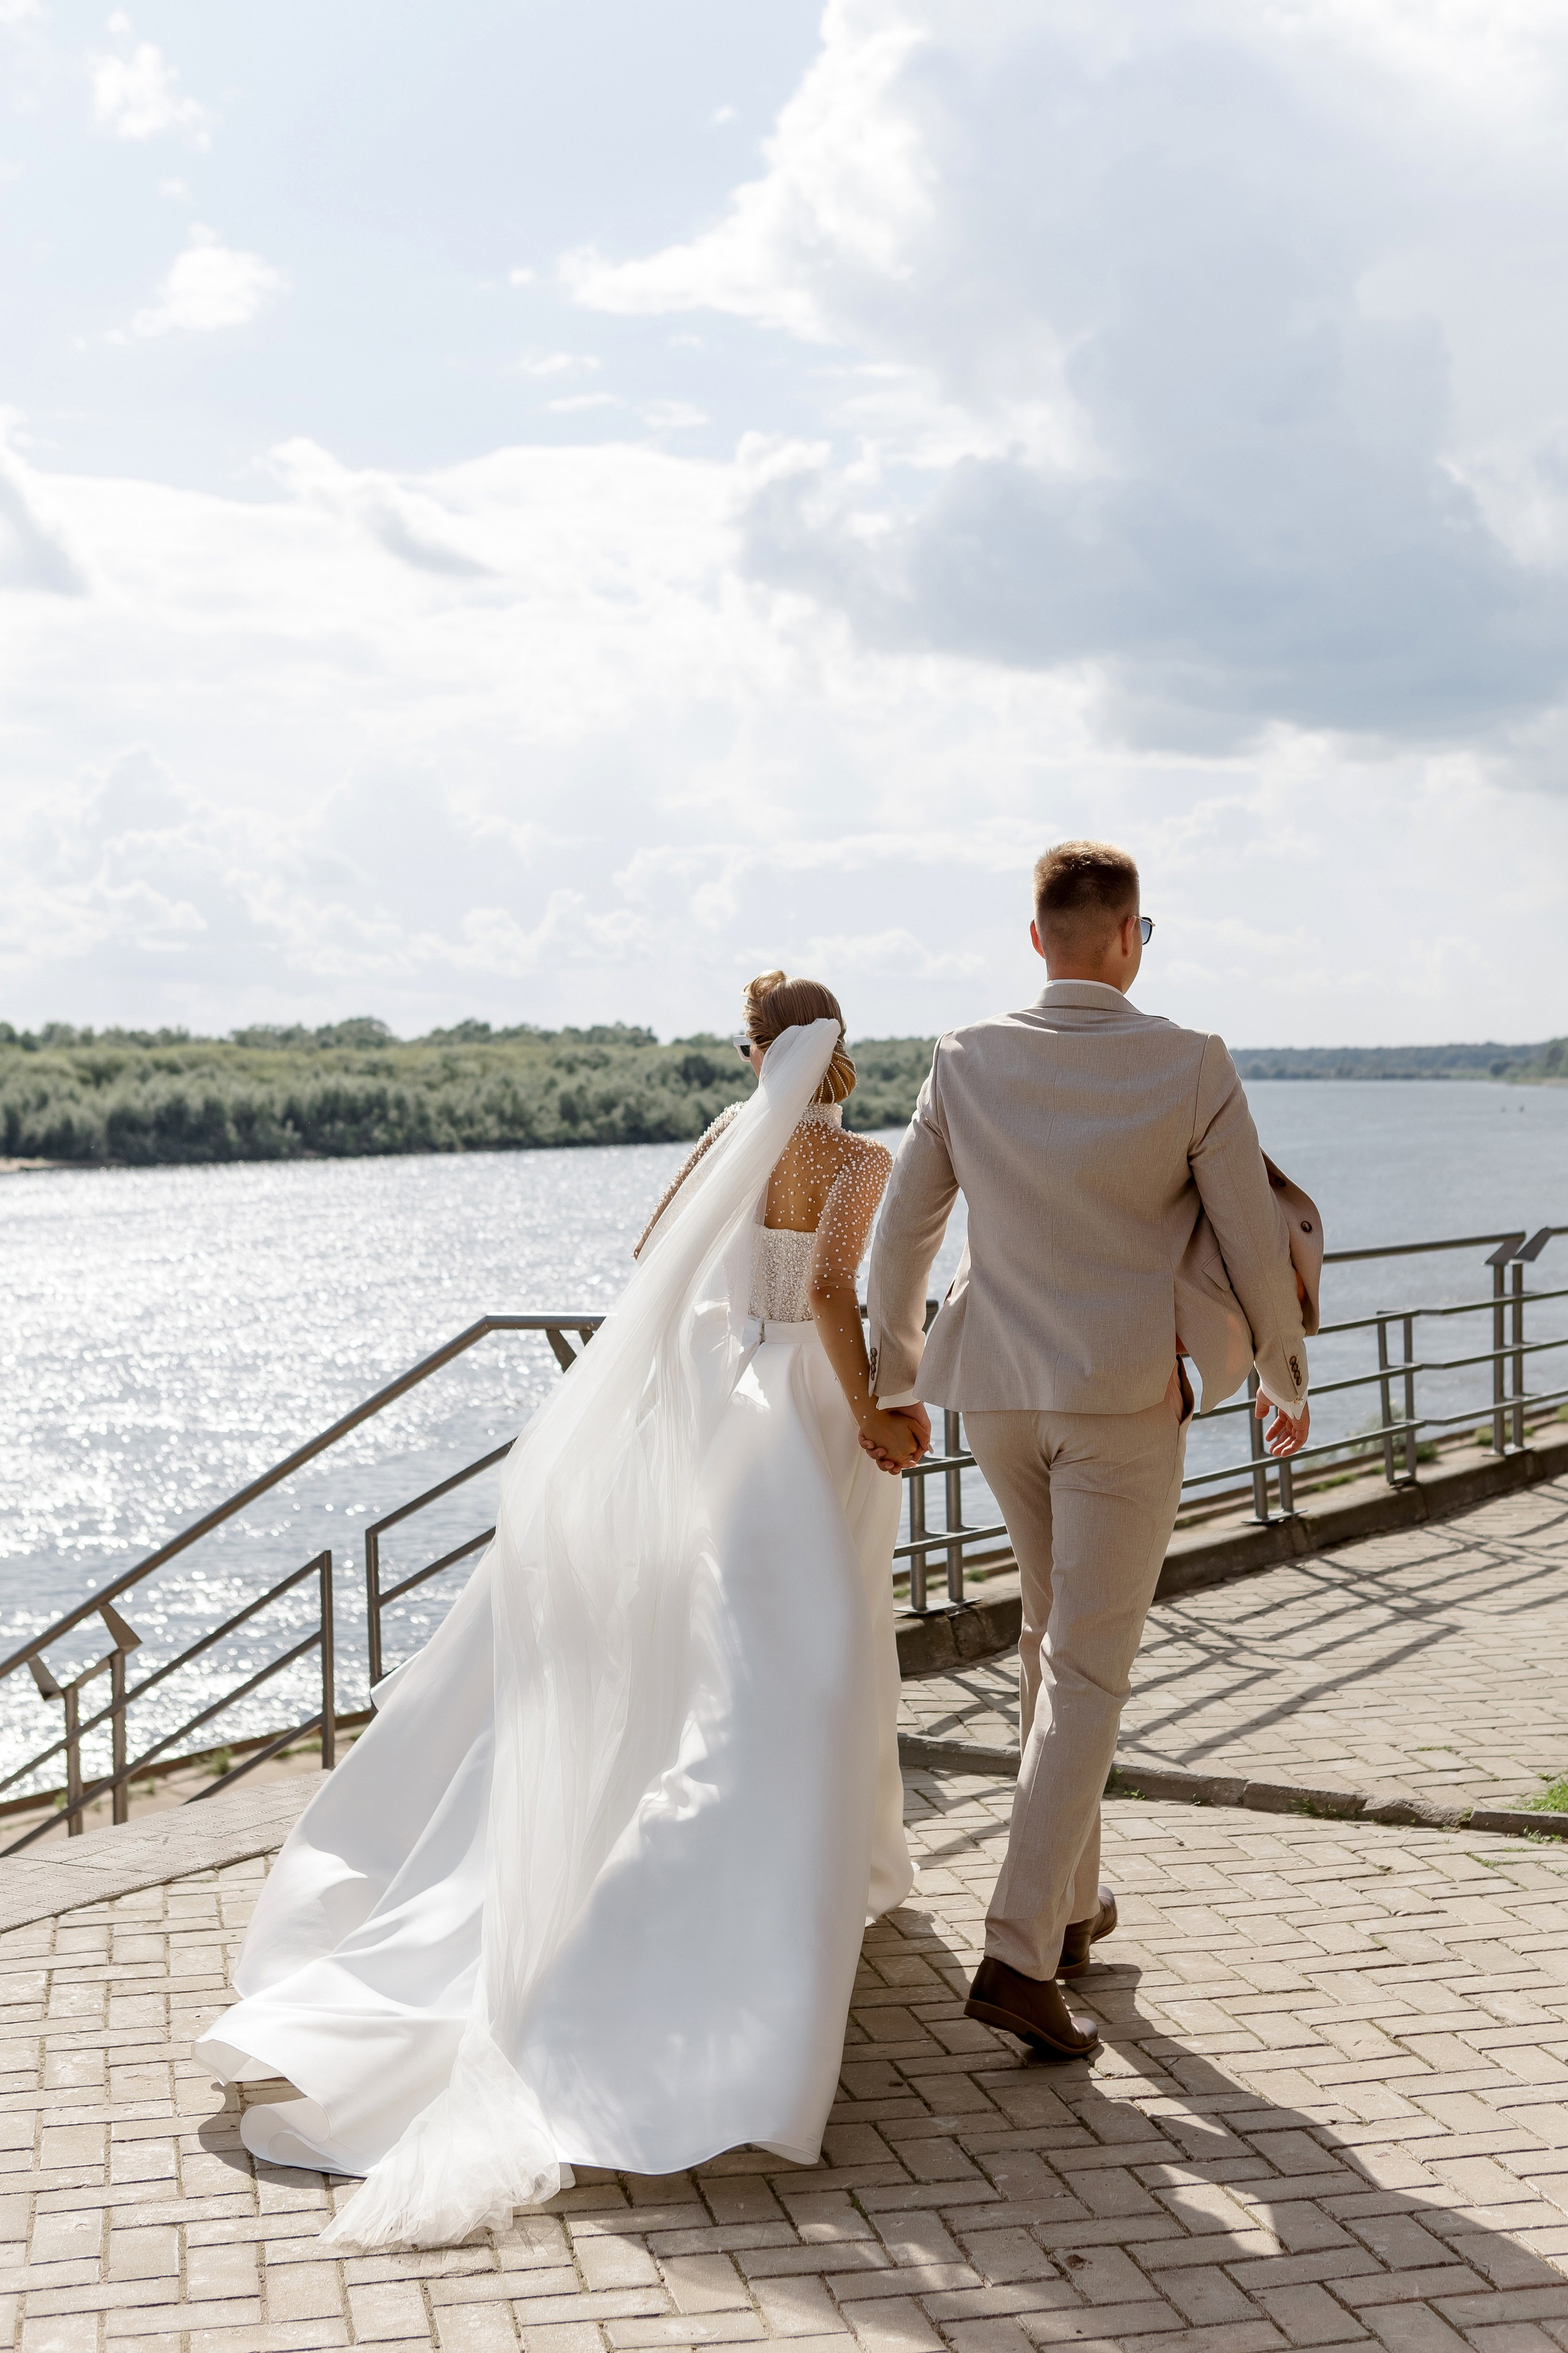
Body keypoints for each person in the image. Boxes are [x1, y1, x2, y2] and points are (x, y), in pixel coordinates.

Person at [195, 976, 923, 2249]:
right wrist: (868, 1409)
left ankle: (801, 1887)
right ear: (841, 1050)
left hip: (706, 1400)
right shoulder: (858, 1157)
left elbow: (656, 1260)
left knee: (704, 1648)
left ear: (755, 1054)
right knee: (798, 1652)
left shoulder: (719, 1141)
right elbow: (827, 1296)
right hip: (797, 1408)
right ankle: (748, 1933)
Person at [862, 840, 1313, 2061]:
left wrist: (893, 1381)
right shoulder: (1189, 1063)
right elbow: (1249, 1243)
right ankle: (1013, 1949)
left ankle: (1066, 1911)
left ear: (1034, 940)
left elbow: (901, 1237)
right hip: (1120, 1398)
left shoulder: (963, 1058)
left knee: (1046, 1639)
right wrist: (1279, 1375)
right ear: (1127, 938)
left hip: (995, 1396)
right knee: (1088, 1670)